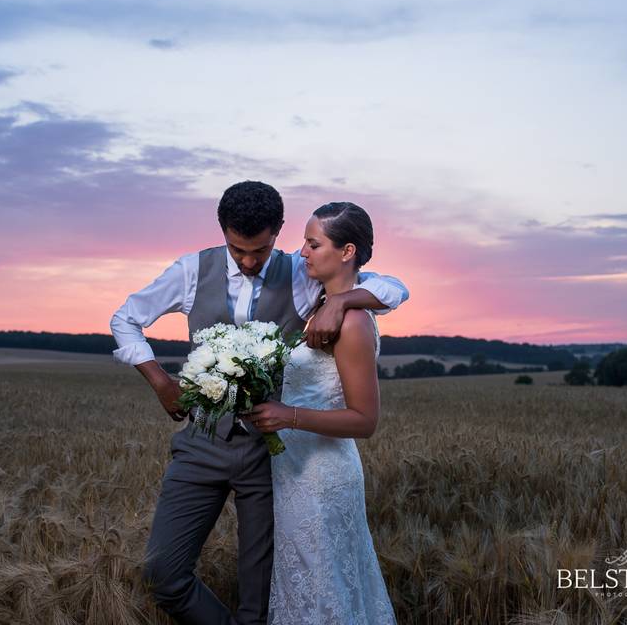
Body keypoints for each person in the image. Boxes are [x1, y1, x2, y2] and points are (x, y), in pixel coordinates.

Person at [110, 181, 408, 624]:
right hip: (200, 445)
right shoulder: (192, 270)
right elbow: (125, 319)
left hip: (269, 457)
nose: (249, 262)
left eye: (261, 251)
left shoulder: (300, 272)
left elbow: (392, 287)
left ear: (278, 233)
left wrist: (343, 299)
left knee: (261, 597)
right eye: (237, 251)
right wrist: (159, 380)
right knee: (163, 574)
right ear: (223, 232)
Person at [248, 201, 398, 624]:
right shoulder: (321, 307)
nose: (303, 253)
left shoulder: (350, 322)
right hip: (293, 473)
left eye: (313, 244)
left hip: (322, 478)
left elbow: (365, 420)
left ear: (347, 251)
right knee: (304, 591)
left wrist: (287, 416)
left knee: (323, 590)